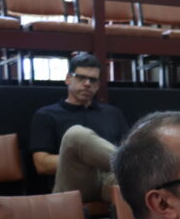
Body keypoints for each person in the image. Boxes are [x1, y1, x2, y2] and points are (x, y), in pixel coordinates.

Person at [29, 52, 129, 202]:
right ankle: (140, 168)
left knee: (139, 182)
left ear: (98, 85)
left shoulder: (112, 113)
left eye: (93, 79)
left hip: (109, 180)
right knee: (76, 135)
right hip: (74, 183)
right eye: (81, 77)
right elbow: (41, 164)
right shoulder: (47, 115)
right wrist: (84, 157)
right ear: (68, 79)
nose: (87, 83)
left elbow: (128, 149)